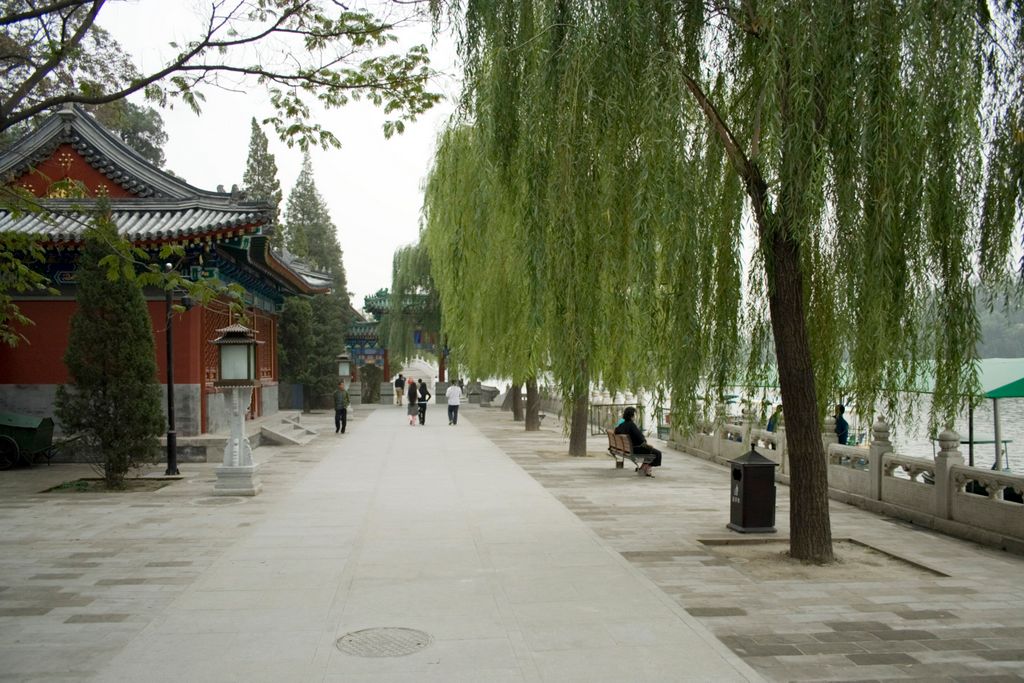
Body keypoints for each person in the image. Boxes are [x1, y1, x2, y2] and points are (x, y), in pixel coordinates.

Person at [614, 407, 661, 477]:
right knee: (657, 453)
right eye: (634, 415)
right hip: (635, 449)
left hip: (627, 449)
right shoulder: (632, 425)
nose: (635, 417)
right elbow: (641, 439)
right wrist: (646, 443)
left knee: (651, 451)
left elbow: (616, 431)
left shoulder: (622, 425)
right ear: (632, 416)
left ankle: (643, 468)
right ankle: (646, 468)